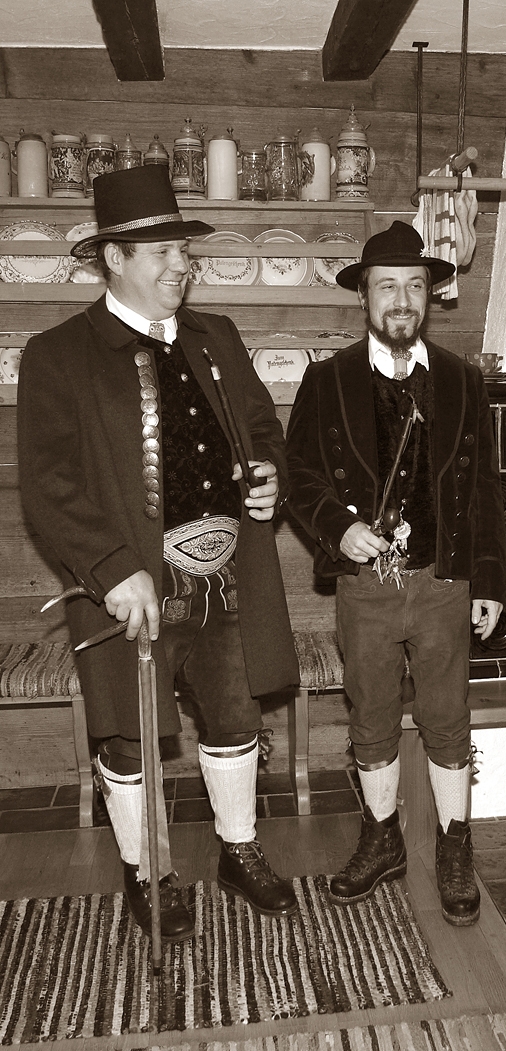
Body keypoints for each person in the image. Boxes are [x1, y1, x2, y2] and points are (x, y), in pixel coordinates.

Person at [17, 165, 300, 940]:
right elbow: (48, 485)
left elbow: (262, 426)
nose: (182, 265)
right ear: (115, 257)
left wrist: (269, 472)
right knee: (128, 734)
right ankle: (146, 869)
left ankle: (239, 849)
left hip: (227, 577)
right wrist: (112, 568)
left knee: (235, 714)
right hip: (128, 590)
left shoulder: (218, 337)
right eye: (163, 252)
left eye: (184, 250)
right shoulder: (57, 354)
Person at [285, 221, 506, 926]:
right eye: (388, 286)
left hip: (444, 580)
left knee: (447, 717)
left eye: (415, 286)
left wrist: (490, 582)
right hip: (366, 586)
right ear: (365, 297)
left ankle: (455, 845)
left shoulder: (464, 381)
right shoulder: (326, 381)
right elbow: (299, 476)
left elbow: (486, 487)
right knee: (372, 714)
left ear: (430, 296)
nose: (402, 299)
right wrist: (337, 527)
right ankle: (382, 839)